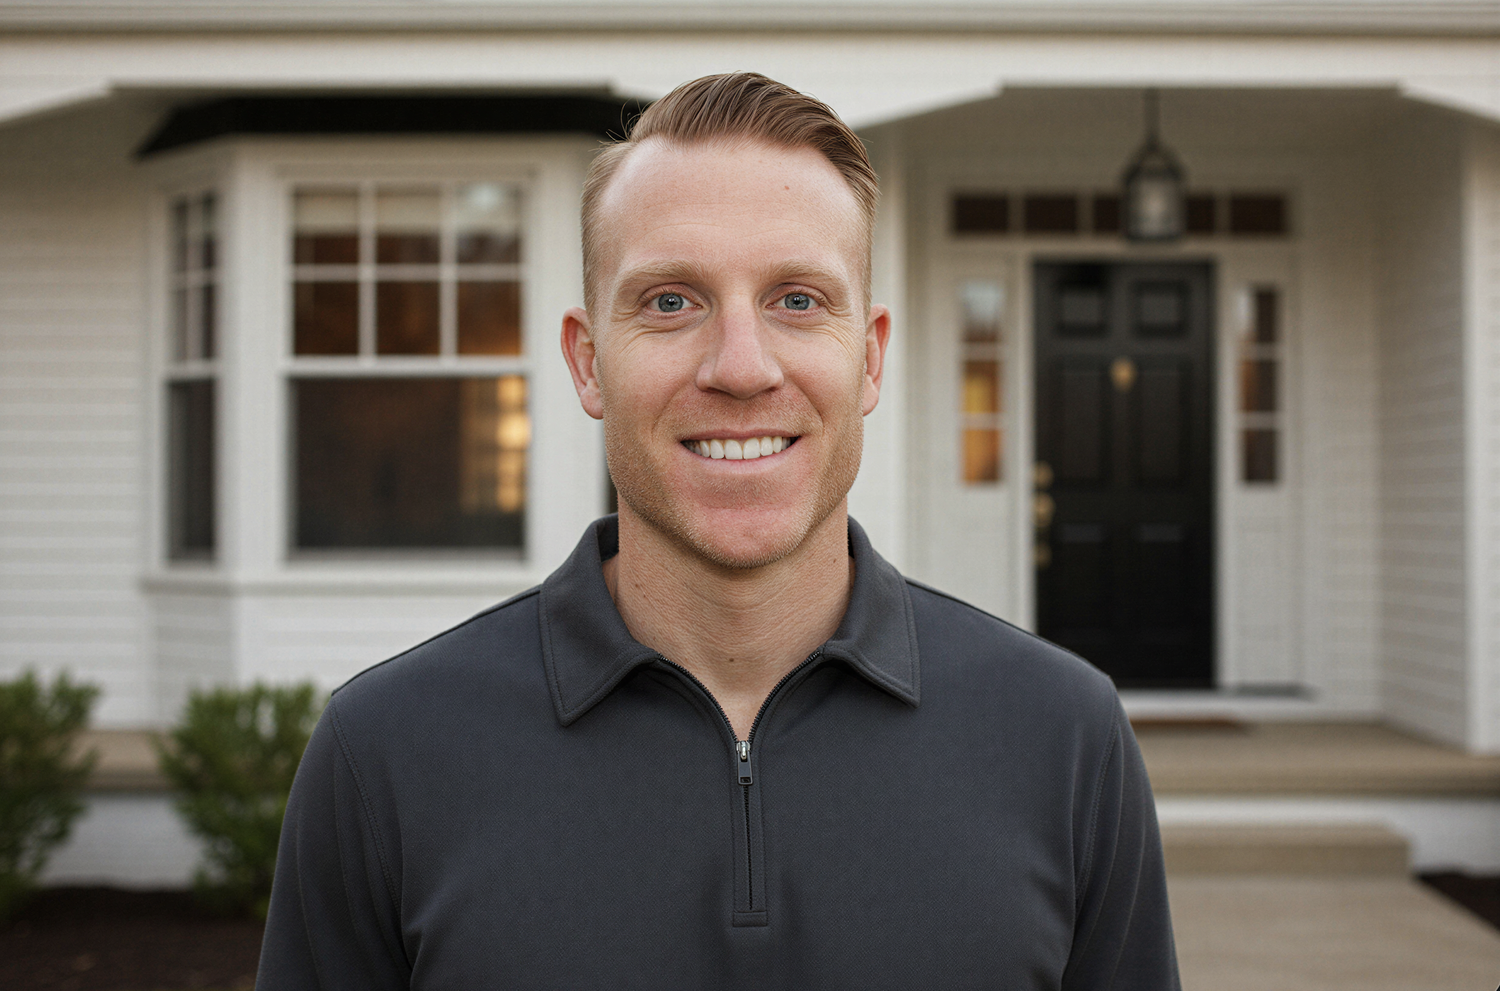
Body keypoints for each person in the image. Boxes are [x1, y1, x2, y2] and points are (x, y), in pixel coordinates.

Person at [257, 72, 1180, 990]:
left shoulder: (1064, 740)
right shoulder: (384, 753)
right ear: (588, 363)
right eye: (670, 301)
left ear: (869, 358)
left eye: (797, 300)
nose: (741, 368)